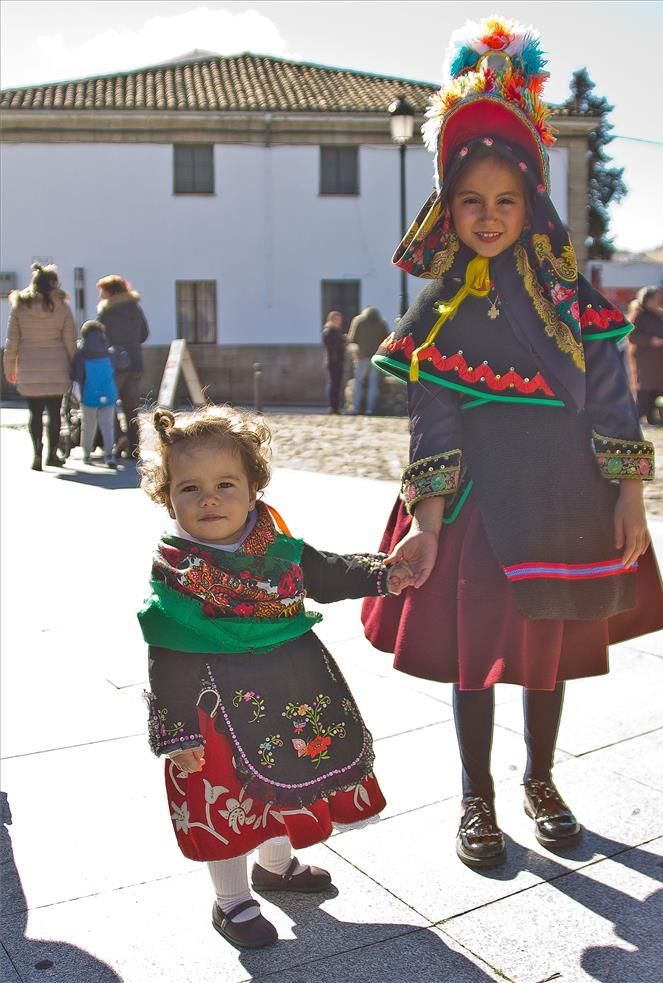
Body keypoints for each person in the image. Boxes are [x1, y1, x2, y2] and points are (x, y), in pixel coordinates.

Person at [361, 16, 663, 871]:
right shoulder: (440, 312)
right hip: (473, 509)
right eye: (471, 202)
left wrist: (631, 496)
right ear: (446, 206)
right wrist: (425, 519)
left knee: (545, 652)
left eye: (505, 200)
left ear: (529, 199)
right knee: (474, 655)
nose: (489, 217)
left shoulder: (575, 300)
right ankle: (476, 795)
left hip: (567, 501)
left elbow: (611, 396)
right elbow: (434, 418)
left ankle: (540, 779)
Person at [137, 404, 409, 950]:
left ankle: (277, 866)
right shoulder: (177, 572)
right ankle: (232, 899)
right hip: (212, 708)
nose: (208, 498)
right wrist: (176, 732)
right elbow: (166, 650)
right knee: (228, 799)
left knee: (285, 784)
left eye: (224, 484)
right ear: (168, 498)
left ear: (255, 487)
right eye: (189, 489)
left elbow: (329, 572)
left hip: (290, 690)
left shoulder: (280, 551)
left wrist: (384, 572)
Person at [3, 263, 76, 470]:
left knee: (34, 413)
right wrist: (76, 364)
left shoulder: (20, 305)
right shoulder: (62, 305)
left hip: (29, 367)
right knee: (55, 413)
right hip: (57, 367)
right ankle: (52, 454)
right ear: (53, 283)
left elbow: (12, 341)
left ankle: (37, 452)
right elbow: (70, 340)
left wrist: (10, 369)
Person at [96, 275, 149, 458]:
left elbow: (99, 338)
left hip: (113, 365)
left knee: (107, 404)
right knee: (132, 407)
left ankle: (119, 437)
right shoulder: (135, 308)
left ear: (110, 291)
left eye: (102, 291)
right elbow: (144, 334)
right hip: (135, 363)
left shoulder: (107, 311)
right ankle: (134, 448)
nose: (101, 295)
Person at [70, 320, 128, 468]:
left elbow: (75, 375)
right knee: (108, 426)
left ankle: (87, 454)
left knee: (88, 426)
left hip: (88, 394)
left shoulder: (81, 355)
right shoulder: (110, 352)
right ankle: (109, 455)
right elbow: (121, 365)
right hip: (108, 393)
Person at [626, 287, 663, 424]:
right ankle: (638, 416)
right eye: (652, 299)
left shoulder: (659, 316)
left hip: (659, 358)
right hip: (644, 357)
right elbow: (633, 336)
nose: (655, 302)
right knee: (645, 388)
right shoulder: (638, 316)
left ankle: (653, 417)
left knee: (658, 388)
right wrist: (650, 341)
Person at [347, 307, 388, 415]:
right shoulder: (381, 322)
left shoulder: (359, 321)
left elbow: (352, 339)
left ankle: (356, 407)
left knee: (359, 382)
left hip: (362, 356)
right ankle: (370, 409)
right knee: (373, 383)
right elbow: (387, 339)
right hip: (376, 356)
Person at [321, 310, 346, 414]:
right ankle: (332, 406)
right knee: (333, 384)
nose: (339, 322)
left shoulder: (336, 331)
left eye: (340, 320)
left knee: (337, 384)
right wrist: (342, 341)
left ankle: (336, 406)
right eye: (337, 319)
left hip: (338, 361)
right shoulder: (328, 331)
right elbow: (331, 345)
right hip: (332, 361)